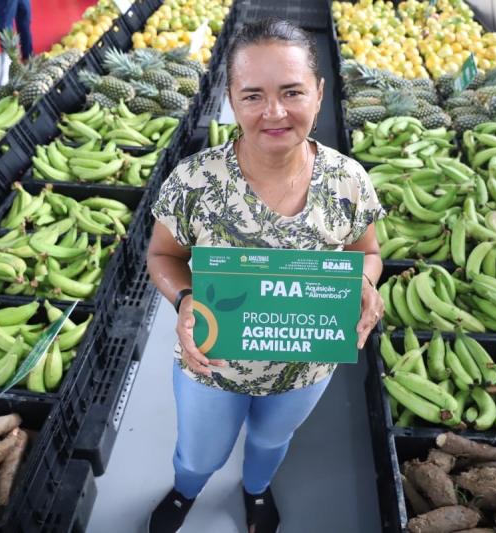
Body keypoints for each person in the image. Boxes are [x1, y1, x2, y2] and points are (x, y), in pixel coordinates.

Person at [146, 18, 385, 533]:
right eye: (252, 95)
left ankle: (256, 491)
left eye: (292, 92)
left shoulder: (348, 181)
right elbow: (162, 257)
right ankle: (186, 490)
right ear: (230, 98)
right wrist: (185, 299)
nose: (274, 112)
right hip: (210, 362)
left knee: (272, 442)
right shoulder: (194, 181)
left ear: (319, 93)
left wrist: (366, 283)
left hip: (303, 366)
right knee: (198, 453)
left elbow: (367, 252)